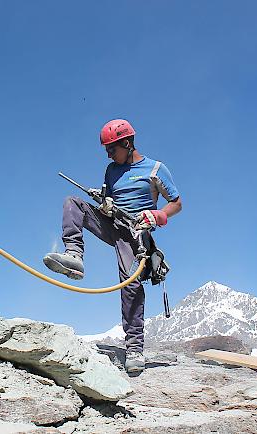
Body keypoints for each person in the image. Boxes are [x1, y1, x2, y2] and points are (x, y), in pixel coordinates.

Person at [43, 119, 182, 374]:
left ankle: (134, 348)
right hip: (112, 225)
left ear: (127, 144)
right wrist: (103, 200)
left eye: (112, 149)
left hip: (135, 234)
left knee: (131, 284)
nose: (108, 154)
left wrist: (158, 215)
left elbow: (176, 203)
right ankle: (74, 255)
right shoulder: (111, 169)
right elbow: (109, 197)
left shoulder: (156, 169)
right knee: (72, 203)